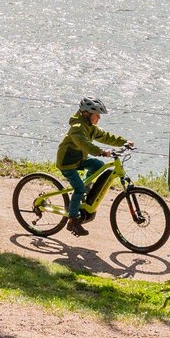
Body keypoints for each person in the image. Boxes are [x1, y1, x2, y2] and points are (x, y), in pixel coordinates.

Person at [55, 98, 131, 236]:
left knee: (98, 166)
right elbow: (85, 145)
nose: (99, 117)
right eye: (97, 115)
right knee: (78, 189)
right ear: (86, 114)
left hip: (80, 159)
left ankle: (86, 188)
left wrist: (124, 142)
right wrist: (101, 152)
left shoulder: (90, 127)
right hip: (67, 162)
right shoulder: (77, 128)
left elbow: (105, 136)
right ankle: (73, 221)